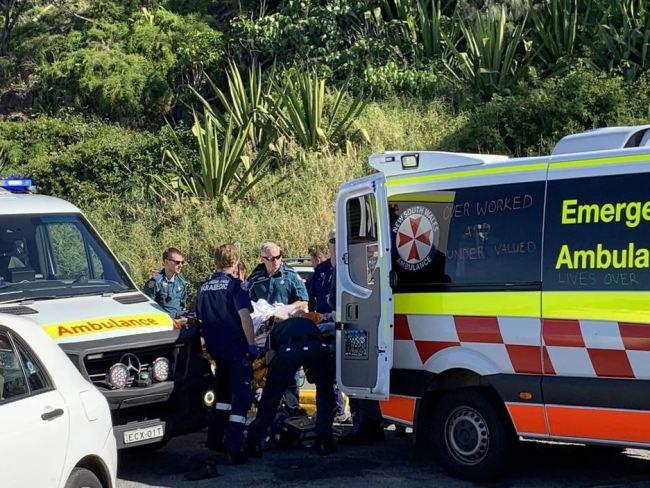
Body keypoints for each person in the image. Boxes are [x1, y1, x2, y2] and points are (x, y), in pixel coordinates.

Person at [189, 244, 257, 479]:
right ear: (236, 261)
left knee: (222, 397)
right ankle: (234, 447)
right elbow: (245, 318)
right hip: (236, 350)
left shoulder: (203, 288)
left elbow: (198, 319)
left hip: (216, 351)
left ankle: (215, 439)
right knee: (241, 399)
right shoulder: (235, 286)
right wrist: (252, 345)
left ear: (215, 262)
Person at [247, 317, 337, 457]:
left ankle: (254, 441)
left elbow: (270, 357)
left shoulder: (274, 331)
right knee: (325, 391)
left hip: (290, 350)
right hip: (317, 347)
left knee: (271, 396)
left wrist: (273, 377)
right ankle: (324, 440)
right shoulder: (309, 323)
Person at [328, 257, 385, 445]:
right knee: (366, 376)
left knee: (355, 377)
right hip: (371, 326)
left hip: (352, 327)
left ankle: (362, 427)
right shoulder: (375, 262)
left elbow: (333, 298)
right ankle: (373, 425)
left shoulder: (344, 267)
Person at [247, 242, 308, 310]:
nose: (275, 261)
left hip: (287, 318)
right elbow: (246, 302)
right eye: (271, 258)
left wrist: (285, 308)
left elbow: (304, 302)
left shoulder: (291, 276)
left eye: (278, 257)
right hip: (262, 319)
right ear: (262, 259)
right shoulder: (255, 279)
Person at [143, 247, 188, 324]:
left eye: (182, 262)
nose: (180, 265)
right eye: (177, 262)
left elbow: (182, 305)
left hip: (179, 319)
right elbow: (147, 308)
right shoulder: (155, 282)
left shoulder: (182, 282)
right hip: (162, 321)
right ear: (166, 262)